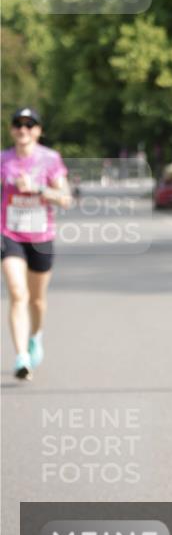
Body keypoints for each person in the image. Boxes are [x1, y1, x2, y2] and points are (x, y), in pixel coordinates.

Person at [1, 107, 71, 380]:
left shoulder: (50, 159)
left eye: (30, 125)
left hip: (41, 237)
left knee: (37, 301)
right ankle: (21, 357)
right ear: (11, 130)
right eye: (18, 124)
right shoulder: (3, 159)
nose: (23, 129)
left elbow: (65, 198)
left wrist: (37, 188)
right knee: (18, 294)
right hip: (9, 234)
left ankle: (35, 335)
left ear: (38, 131)